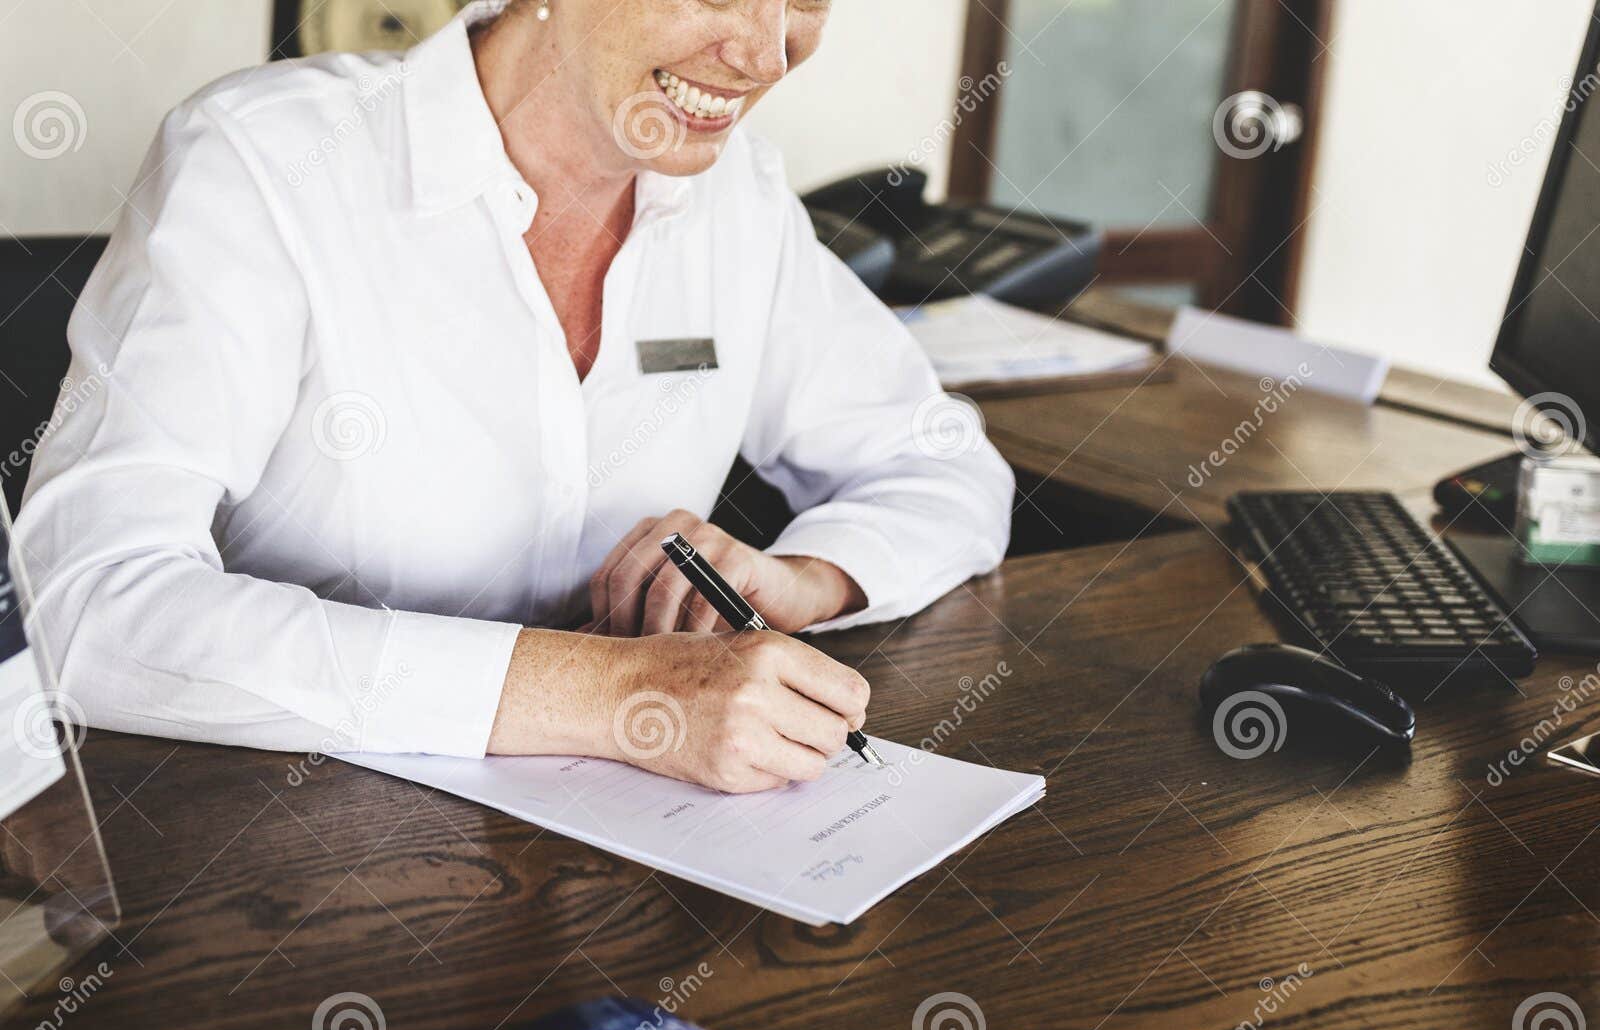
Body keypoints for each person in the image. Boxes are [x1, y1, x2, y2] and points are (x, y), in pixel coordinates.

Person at [17, 0, 1012, 794]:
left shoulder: (734, 198)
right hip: (264, 847)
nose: (763, 53)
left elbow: (945, 466)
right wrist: (613, 692)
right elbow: (90, 609)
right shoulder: (264, 162)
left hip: (601, 864)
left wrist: (805, 576)